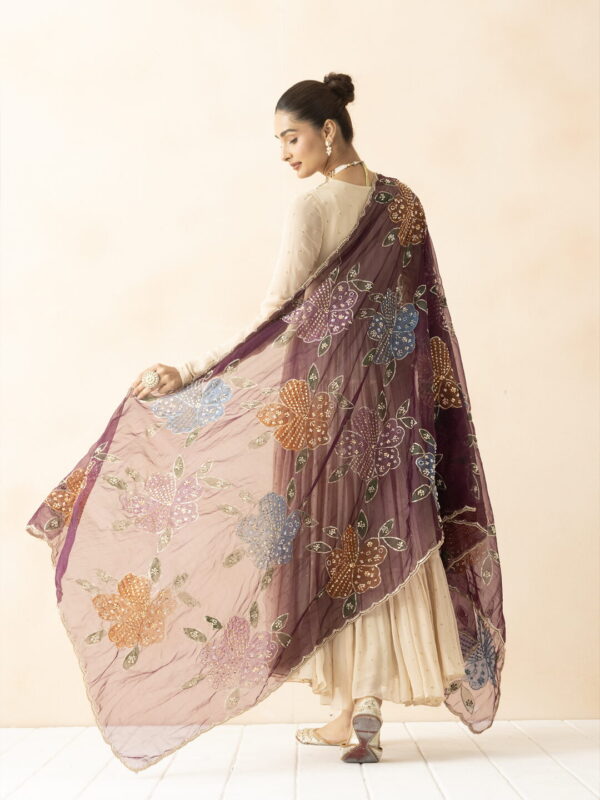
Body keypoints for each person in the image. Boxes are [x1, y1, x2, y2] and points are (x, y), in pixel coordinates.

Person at [27, 73, 505, 772]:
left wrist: (191, 370)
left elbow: (275, 316)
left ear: (328, 131)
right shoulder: (403, 202)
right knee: (380, 541)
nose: (284, 153)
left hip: (316, 411)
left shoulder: (311, 207)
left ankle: (352, 711)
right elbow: (423, 318)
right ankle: (359, 713)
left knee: (332, 547)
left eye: (291, 138)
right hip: (394, 415)